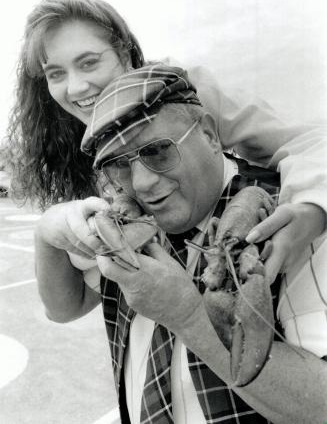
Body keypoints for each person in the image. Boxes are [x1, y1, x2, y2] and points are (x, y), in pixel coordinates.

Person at [35, 64, 327, 423]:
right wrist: (45, 233)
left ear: (209, 134)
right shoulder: (125, 223)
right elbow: (64, 307)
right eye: (118, 165)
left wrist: (188, 316)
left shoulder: (294, 221)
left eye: (158, 151)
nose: (142, 183)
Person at [4, 0, 326, 282]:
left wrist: (312, 207)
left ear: (126, 55)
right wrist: (48, 229)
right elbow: (70, 304)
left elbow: (303, 141)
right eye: (56, 74)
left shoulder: (186, 91)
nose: (75, 88)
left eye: (89, 63)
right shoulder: (72, 138)